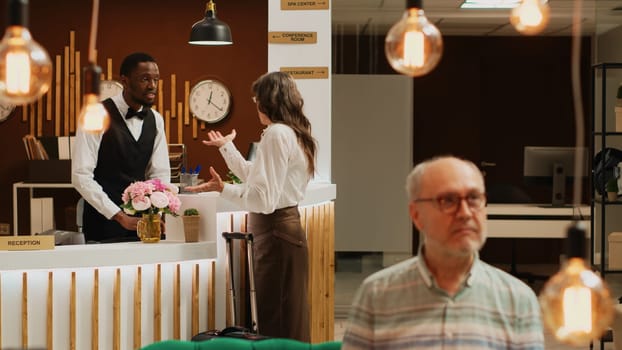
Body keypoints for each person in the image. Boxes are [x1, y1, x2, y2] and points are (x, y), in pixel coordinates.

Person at [341, 156, 544, 350]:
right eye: (448, 200)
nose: (465, 213)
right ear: (416, 215)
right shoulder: (377, 294)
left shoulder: (518, 299)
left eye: (474, 198)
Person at [186, 71, 317, 341]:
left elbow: (263, 199)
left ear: (267, 101)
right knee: (287, 317)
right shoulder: (293, 132)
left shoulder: (276, 134)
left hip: (275, 231)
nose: (255, 104)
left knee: (277, 319)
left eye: (256, 99)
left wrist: (223, 188)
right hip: (285, 231)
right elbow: (258, 176)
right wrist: (227, 148)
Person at [72, 52, 170, 243]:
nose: (152, 86)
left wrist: (157, 211)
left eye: (155, 79)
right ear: (124, 81)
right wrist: (118, 215)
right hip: (103, 223)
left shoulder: (156, 119)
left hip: (144, 225)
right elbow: (80, 176)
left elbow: (160, 174)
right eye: (144, 79)